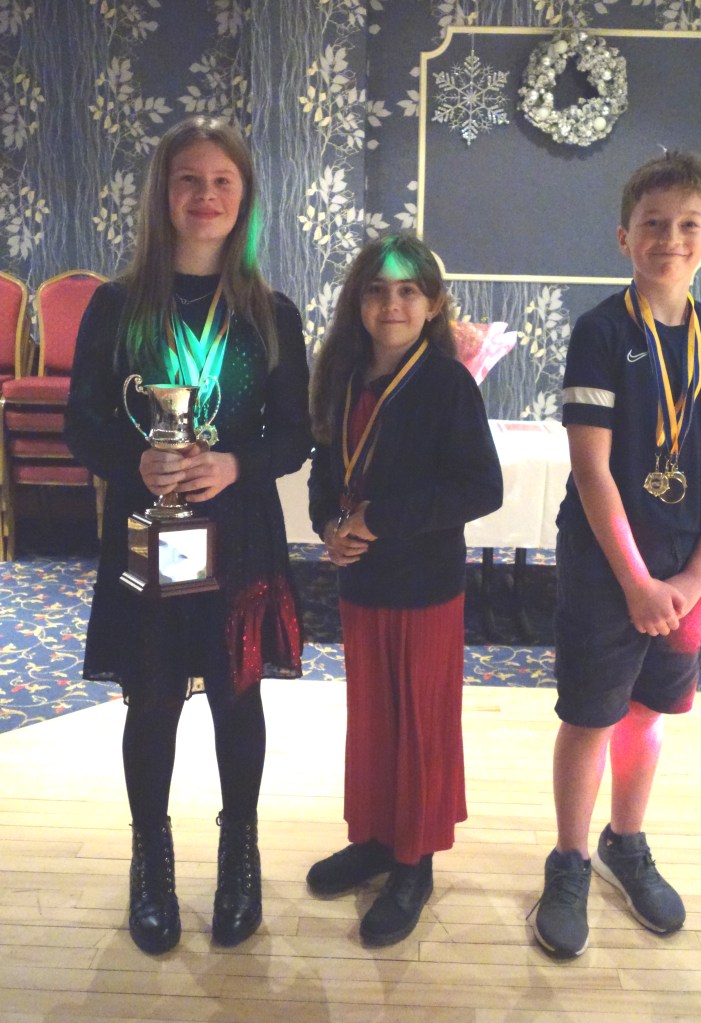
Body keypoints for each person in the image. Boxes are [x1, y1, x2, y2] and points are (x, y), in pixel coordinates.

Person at [65, 116, 311, 955]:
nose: (205, 196)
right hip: (147, 528)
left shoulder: (270, 313)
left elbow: (295, 435)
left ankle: (239, 851)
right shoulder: (115, 306)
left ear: (244, 199)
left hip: (238, 531)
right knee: (154, 695)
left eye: (221, 182)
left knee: (238, 694)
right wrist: (134, 460)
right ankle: (152, 858)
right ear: (163, 194)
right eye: (189, 180)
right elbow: (81, 425)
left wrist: (236, 463)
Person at [531, 151, 701, 958]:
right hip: (606, 568)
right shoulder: (601, 332)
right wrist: (635, 580)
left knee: (650, 714)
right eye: (653, 223)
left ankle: (626, 840)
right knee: (590, 716)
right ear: (625, 236)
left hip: (685, 572)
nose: (670, 238)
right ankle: (570, 857)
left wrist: (694, 576)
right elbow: (592, 469)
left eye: (688, 224)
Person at [306, 233, 503, 946]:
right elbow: (325, 474)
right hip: (362, 580)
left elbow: (481, 488)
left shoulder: (447, 384)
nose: (392, 303)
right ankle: (375, 839)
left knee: (418, 724)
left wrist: (378, 519)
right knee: (373, 719)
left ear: (433, 305)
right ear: (358, 302)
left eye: (408, 291)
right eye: (377, 290)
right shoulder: (341, 376)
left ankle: (413, 861)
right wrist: (330, 526)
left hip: (424, 586)